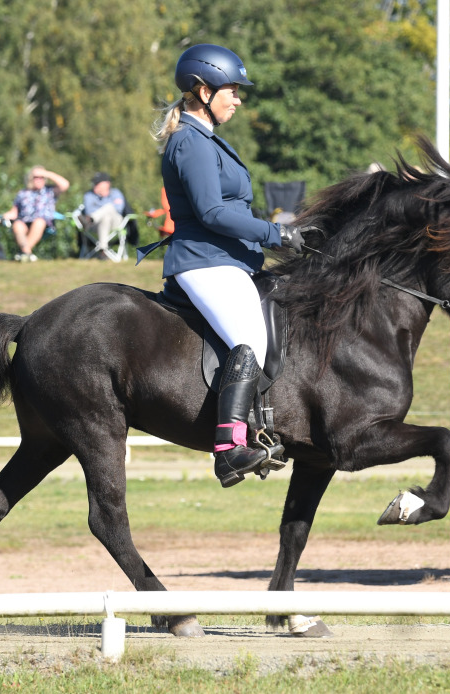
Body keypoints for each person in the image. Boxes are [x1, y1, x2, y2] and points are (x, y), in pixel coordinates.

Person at [149, 44, 305, 487]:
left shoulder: (209, 139)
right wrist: (276, 233)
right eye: (231, 91)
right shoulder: (189, 142)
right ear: (202, 90)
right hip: (204, 261)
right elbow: (212, 213)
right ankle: (229, 449)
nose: (237, 99)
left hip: (230, 259)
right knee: (248, 338)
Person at [0, 165, 69, 262]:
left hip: (43, 225)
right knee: (17, 225)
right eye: (36, 177)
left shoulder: (50, 191)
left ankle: (24, 252)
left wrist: (45, 173)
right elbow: (13, 212)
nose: (39, 179)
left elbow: (65, 184)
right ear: (31, 179)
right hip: (24, 221)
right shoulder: (22, 193)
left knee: (39, 222)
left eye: (41, 178)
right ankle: (27, 253)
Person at [81, 172, 125, 253]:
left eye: (97, 183)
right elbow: (89, 211)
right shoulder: (89, 195)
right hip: (96, 225)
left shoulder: (116, 193)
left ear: (107, 184)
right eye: (94, 183)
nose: (94, 185)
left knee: (109, 207)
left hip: (115, 222)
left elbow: (119, 209)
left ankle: (89, 220)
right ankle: (103, 251)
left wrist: (104, 198)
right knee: (105, 218)